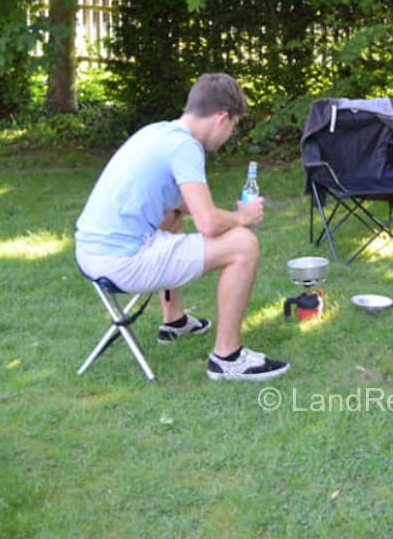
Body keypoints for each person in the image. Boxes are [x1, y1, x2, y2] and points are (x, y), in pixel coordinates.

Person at [74, 73, 288, 381]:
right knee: (244, 244)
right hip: (121, 262)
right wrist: (243, 218)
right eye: (234, 125)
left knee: (173, 214)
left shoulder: (157, 133)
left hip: (89, 252)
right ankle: (228, 357)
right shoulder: (185, 147)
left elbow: (184, 205)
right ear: (222, 117)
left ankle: (173, 320)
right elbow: (208, 223)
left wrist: (227, 214)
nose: (230, 134)